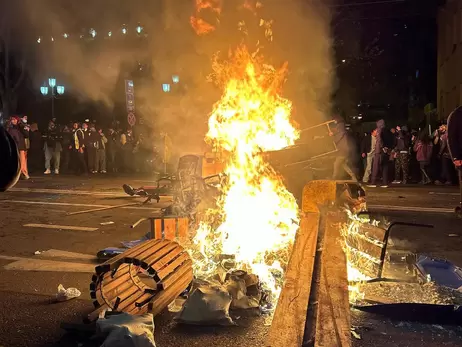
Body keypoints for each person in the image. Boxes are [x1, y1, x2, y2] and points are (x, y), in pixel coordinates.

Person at [331, 115, 357, 181]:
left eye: (334, 120)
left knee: (336, 164)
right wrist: (333, 133)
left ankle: (334, 178)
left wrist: (333, 136)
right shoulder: (340, 127)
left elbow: (339, 135)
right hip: (344, 149)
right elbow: (337, 132)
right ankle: (353, 176)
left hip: (343, 149)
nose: (334, 121)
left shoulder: (340, 127)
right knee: (344, 165)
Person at [370, 119, 394, 187]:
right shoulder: (388, 131)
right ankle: (385, 183)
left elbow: (379, 139)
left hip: (379, 151)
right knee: (385, 166)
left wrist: (382, 147)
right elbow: (392, 140)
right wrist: (388, 148)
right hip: (386, 151)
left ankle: (373, 182)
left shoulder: (379, 130)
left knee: (375, 166)